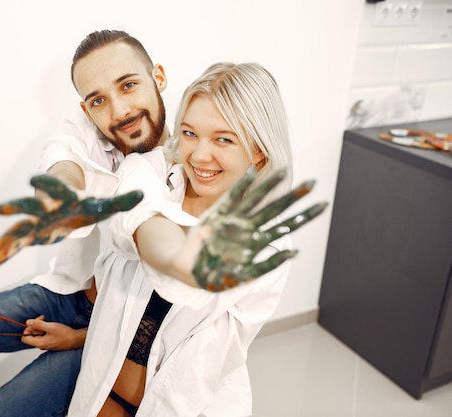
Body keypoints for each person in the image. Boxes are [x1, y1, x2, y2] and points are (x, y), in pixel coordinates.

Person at [0, 29, 171, 417]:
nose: (119, 111)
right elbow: (62, 157)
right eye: (99, 100)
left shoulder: (193, 167)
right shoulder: (88, 127)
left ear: (159, 78)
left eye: (129, 85)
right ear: (86, 109)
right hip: (68, 294)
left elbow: (165, 319)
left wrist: (78, 339)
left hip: (118, 326)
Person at [59, 62, 327, 416]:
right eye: (189, 133)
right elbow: (131, 228)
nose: (199, 156)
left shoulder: (267, 245)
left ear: (259, 150)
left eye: (223, 139)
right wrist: (79, 336)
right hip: (103, 392)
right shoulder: (151, 172)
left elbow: (206, 360)